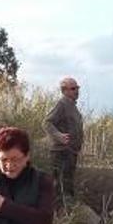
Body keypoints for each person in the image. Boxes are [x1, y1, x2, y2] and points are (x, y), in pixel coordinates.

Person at [44, 77, 83, 209]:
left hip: (70, 152)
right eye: (73, 88)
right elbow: (47, 122)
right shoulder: (62, 104)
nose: (77, 91)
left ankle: (67, 212)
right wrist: (58, 136)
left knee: (67, 183)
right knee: (60, 184)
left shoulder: (72, 106)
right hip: (61, 152)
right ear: (64, 90)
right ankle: (60, 212)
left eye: (77, 88)